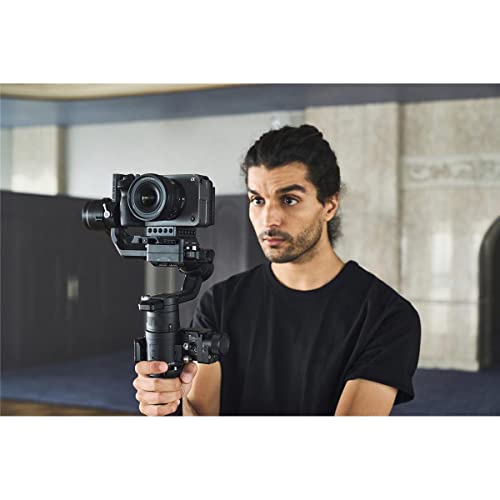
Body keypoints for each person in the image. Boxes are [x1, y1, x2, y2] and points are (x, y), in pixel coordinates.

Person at [133, 124, 421, 416]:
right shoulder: (220, 303)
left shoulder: (387, 316)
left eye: (289, 200)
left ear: (330, 205)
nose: (269, 218)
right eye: (257, 200)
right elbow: (202, 419)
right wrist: (171, 402)